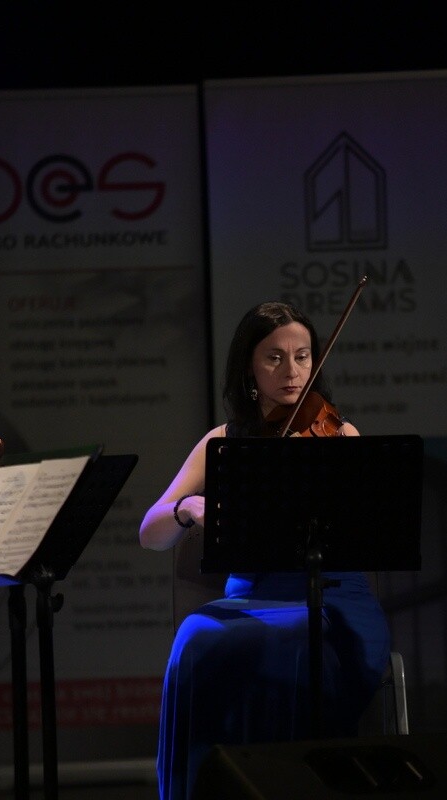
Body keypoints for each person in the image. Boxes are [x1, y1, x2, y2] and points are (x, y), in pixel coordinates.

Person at [139, 301, 392, 800]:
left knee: (292, 639)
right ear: (249, 369)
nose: (292, 371)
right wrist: (187, 508)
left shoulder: (339, 433)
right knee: (195, 636)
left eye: (302, 356)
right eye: (274, 358)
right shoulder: (224, 441)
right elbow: (151, 532)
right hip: (253, 596)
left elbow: (369, 530)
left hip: (334, 597)